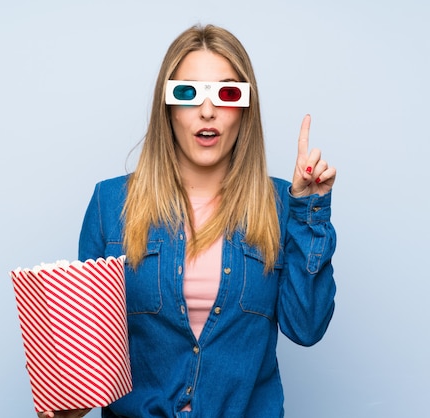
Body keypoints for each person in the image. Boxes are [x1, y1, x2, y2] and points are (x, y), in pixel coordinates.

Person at [39, 23, 337, 418]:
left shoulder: (283, 206)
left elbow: (306, 328)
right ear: (168, 107)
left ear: (245, 108)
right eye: (187, 92)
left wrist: (309, 212)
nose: (208, 110)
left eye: (228, 93)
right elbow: (88, 351)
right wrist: (67, 401)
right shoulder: (109, 205)